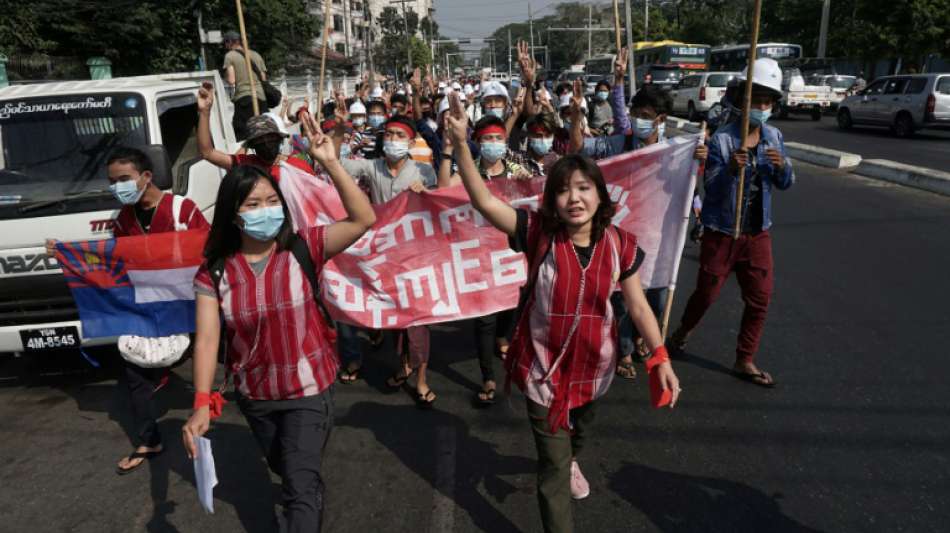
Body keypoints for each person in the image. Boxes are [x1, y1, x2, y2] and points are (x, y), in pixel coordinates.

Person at [443, 92, 680, 532]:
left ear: (599, 195)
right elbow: (484, 202)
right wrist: (460, 146)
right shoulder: (537, 234)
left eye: (584, 188)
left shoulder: (619, 245)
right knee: (552, 470)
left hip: (595, 369)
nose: (574, 198)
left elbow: (638, 305)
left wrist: (659, 357)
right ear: (551, 200)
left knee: (578, 434)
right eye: (564, 190)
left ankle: (572, 454)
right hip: (541, 371)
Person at [182, 116, 376, 532]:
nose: (264, 211)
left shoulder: (305, 247)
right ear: (233, 215)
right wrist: (201, 404)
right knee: (288, 472)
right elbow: (207, 339)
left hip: (309, 390)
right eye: (252, 205)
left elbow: (363, 219)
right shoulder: (214, 273)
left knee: (300, 485)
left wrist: (331, 162)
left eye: (272, 201)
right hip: (256, 396)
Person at [48, 146, 209, 475]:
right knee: (135, 374)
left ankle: (210, 420)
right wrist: (66, 254)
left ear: (146, 177)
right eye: (112, 181)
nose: (117, 187)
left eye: (123, 179)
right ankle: (149, 439)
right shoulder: (122, 220)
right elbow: (114, 264)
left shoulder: (183, 210)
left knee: (215, 357)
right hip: (144, 308)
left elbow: (208, 252)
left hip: (186, 308)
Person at [668, 58, 795, 388]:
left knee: (760, 299)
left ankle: (745, 358)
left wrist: (782, 168)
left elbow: (786, 183)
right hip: (722, 233)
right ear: (741, 102)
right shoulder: (723, 141)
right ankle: (682, 332)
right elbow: (710, 188)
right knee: (706, 296)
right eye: (757, 100)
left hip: (757, 234)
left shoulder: (774, 138)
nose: (762, 107)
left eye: (768, 102)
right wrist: (730, 170)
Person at [337, 115, 440, 405]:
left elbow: (439, 205)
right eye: (389, 134)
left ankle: (420, 380)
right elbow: (336, 165)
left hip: (415, 257)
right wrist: (338, 134)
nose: (393, 139)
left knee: (419, 321)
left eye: (399, 135)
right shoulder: (372, 166)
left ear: (409, 142)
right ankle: (404, 364)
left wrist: (426, 195)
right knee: (397, 319)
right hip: (384, 257)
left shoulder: (423, 171)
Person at [221, 31, 269, 141]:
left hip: (244, 98)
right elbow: (263, 78)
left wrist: (226, 75)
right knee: (264, 131)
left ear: (230, 42)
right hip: (261, 98)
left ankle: (247, 157)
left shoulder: (230, 56)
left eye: (225, 43)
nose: (225, 46)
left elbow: (231, 80)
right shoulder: (256, 55)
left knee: (242, 133)